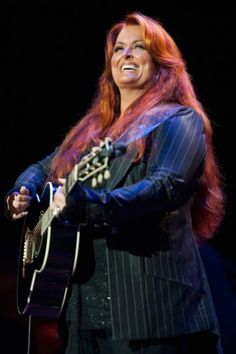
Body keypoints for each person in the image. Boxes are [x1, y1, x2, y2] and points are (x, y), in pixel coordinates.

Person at [5, 11, 225, 354]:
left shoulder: (179, 119)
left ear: (161, 63)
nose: (126, 54)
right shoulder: (94, 129)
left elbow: (165, 188)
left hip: (153, 311)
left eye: (139, 47)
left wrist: (88, 204)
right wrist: (22, 191)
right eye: (119, 48)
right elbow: (43, 167)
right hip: (81, 313)